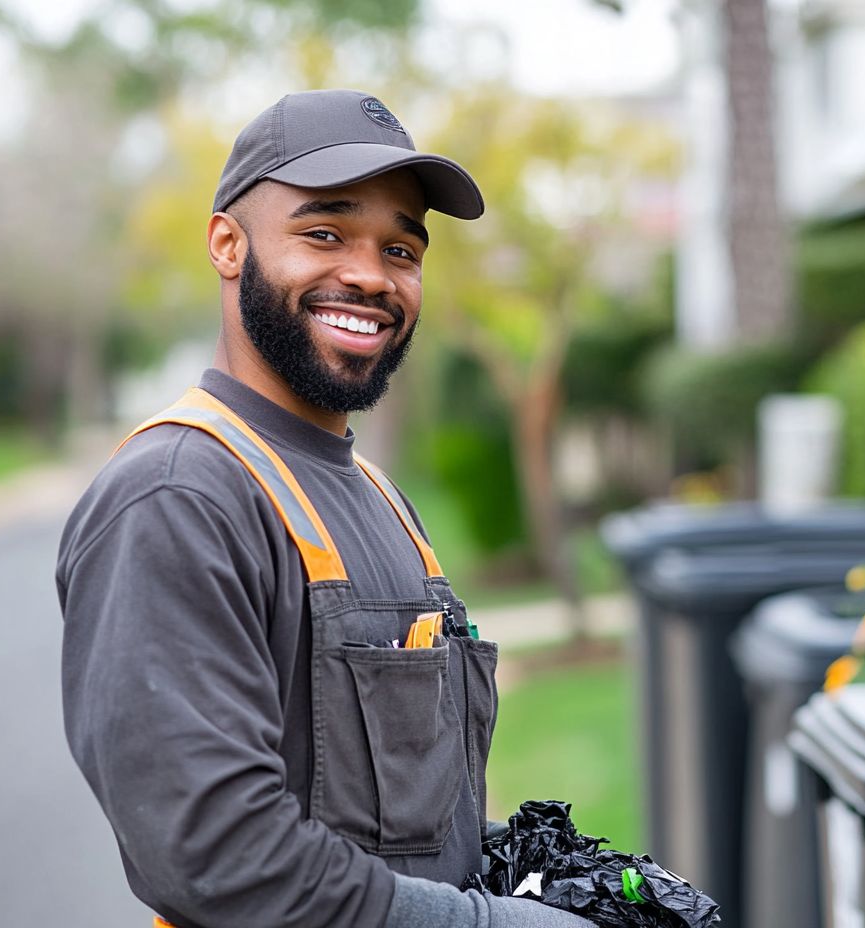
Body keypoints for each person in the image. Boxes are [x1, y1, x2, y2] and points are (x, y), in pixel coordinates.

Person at [57, 89, 595, 928]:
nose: (371, 276)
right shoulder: (176, 498)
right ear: (228, 244)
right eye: (323, 233)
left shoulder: (379, 496)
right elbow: (219, 858)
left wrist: (547, 883)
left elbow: (397, 826)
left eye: (402, 248)